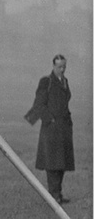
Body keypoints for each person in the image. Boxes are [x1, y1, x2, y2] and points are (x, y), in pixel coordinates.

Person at [25, 54, 74, 204]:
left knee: (62, 162)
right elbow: (39, 104)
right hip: (51, 129)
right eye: (59, 67)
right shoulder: (46, 82)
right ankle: (53, 195)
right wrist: (50, 120)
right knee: (52, 163)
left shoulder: (64, 81)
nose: (62, 69)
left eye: (64, 66)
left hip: (64, 128)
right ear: (53, 66)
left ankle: (58, 193)